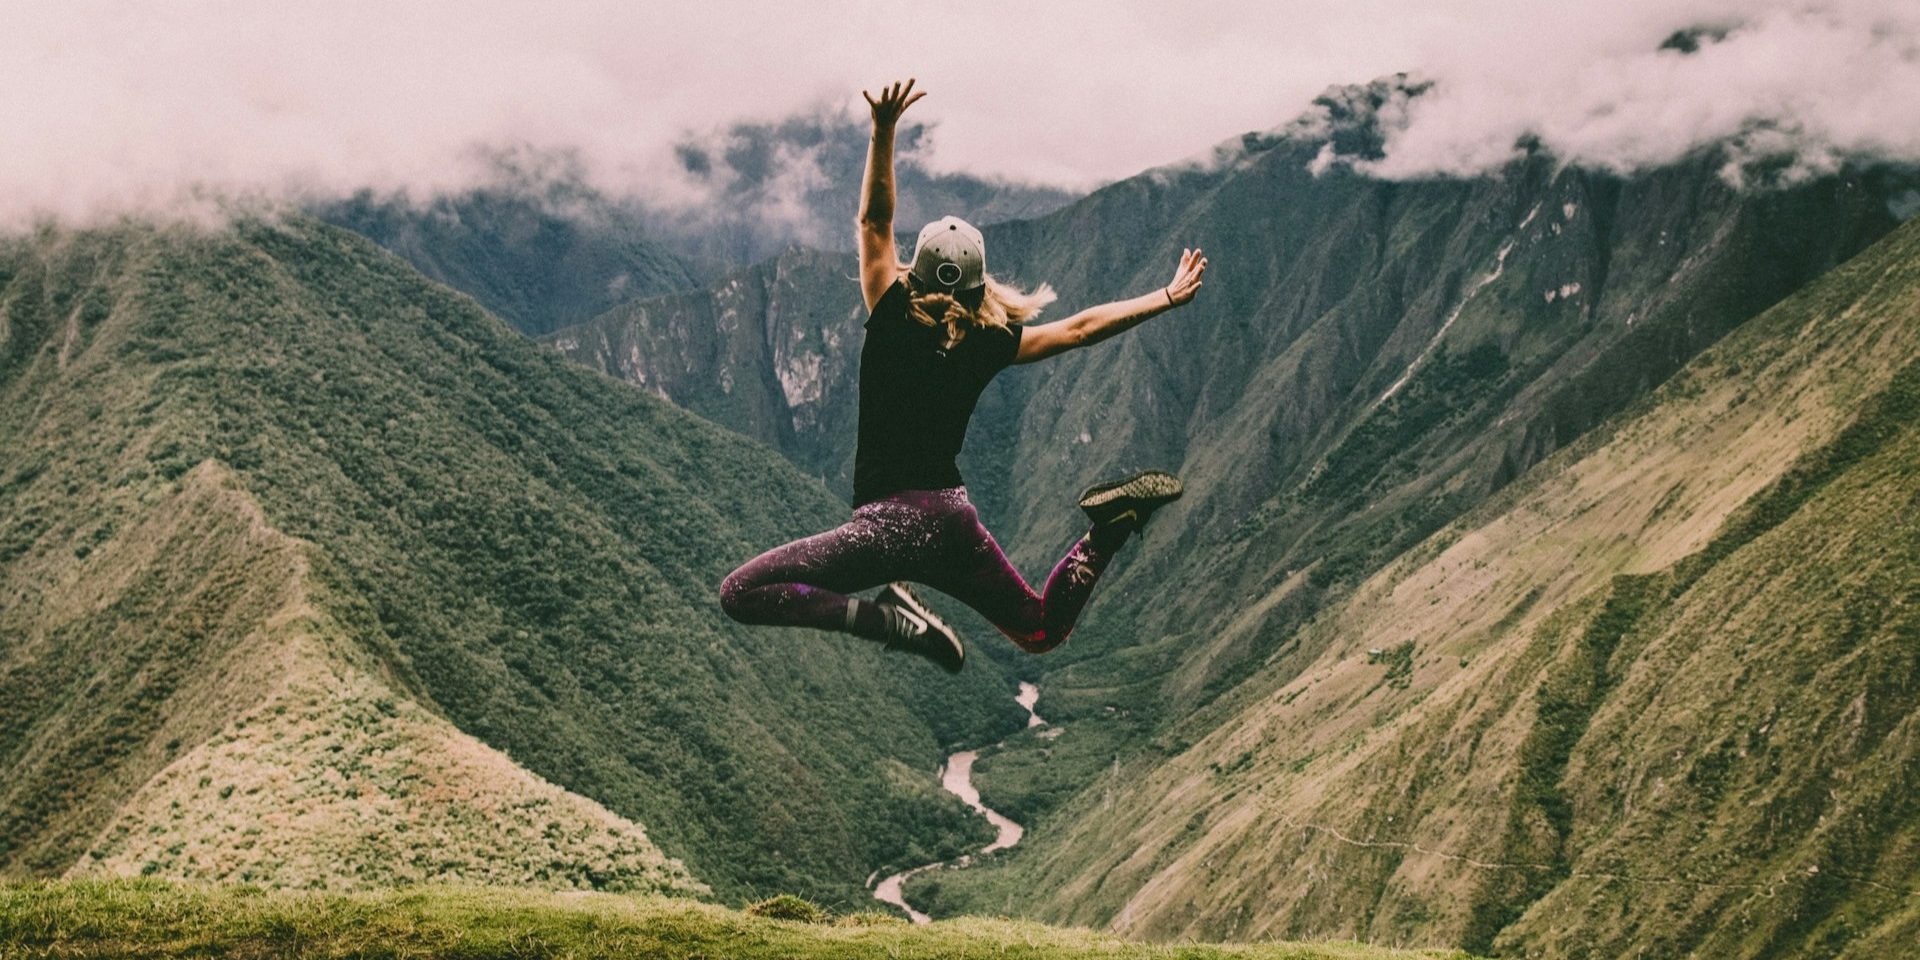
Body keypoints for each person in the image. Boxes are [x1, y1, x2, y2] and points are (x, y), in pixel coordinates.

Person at [718, 78, 1208, 672]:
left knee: (741, 593)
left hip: (887, 528)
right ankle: (1106, 532)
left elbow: (875, 221)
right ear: (980, 284)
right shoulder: (989, 339)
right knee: (1039, 628)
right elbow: (1080, 329)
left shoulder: (892, 309)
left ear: (914, 272)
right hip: (952, 521)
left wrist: (883, 129)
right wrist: (1164, 296)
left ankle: (886, 621)